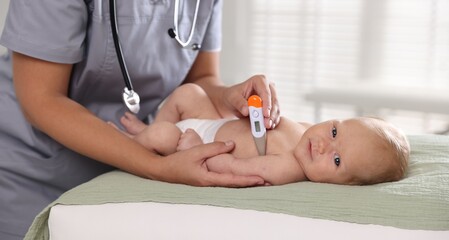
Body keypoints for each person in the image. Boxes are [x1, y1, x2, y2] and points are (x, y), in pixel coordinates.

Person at [0, 1, 282, 239]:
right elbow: (42, 99)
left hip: (124, 178)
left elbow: (200, 79)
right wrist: (156, 166)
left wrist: (224, 96)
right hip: (30, 172)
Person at [116, 83, 410, 186]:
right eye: (334, 131)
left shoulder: (288, 167)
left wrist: (192, 148)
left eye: (336, 160)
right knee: (189, 92)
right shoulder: (307, 130)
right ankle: (146, 128)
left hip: (198, 143)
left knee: (163, 137)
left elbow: (235, 170)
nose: (322, 144)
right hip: (210, 122)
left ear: (344, 185)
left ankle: (136, 141)